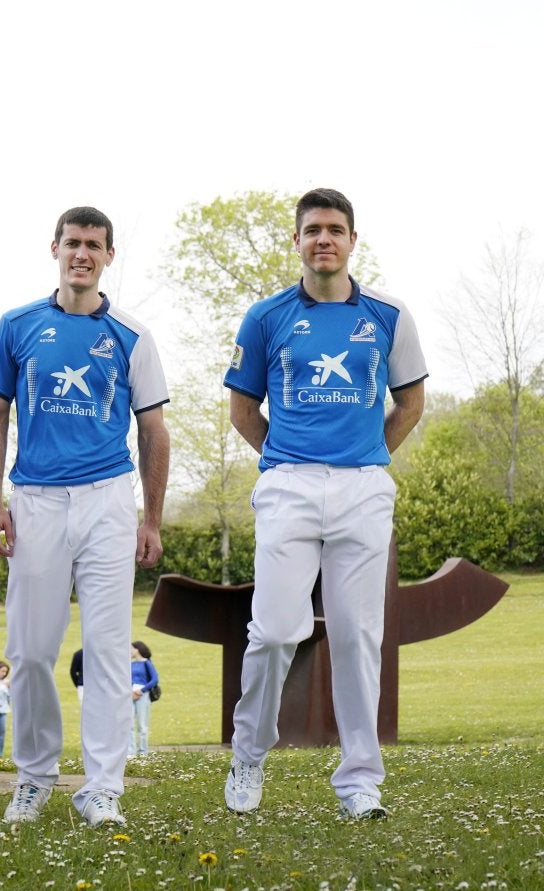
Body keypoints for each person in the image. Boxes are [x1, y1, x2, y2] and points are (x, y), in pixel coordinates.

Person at [222, 188, 426, 821]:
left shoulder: (388, 315)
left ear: (352, 240)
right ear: (297, 240)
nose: (324, 239)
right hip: (288, 486)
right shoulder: (266, 317)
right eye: (312, 230)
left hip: (364, 489)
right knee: (276, 630)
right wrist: (286, 456)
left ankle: (361, 782)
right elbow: (241, 409)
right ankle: (249, 754)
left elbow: (411, 403)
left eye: (335, 229)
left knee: (359, 636)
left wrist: (367, 453)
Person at [0, 206, 170, 827]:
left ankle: (103, 788)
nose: (81, 253)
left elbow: (153, 430)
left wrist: (152, 520)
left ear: (109, 255)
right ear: (54, 248)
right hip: (35, 501)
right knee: (30, 651)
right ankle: (34, 778)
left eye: (94, 244)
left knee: (109, 649)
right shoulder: (17, 326)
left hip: (108, 500)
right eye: (72, 243)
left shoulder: (132, 336)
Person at [129, 642, 159, 757]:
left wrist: (141, 691)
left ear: (137, 650)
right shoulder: (131, 664)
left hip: (143, 695)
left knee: (142, 725)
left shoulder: (147, 663)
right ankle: (130, 752)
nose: (130, 651)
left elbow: (154, 679)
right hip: (130, 695)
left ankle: (142, 752)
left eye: (132, 649)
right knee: (129, 724)